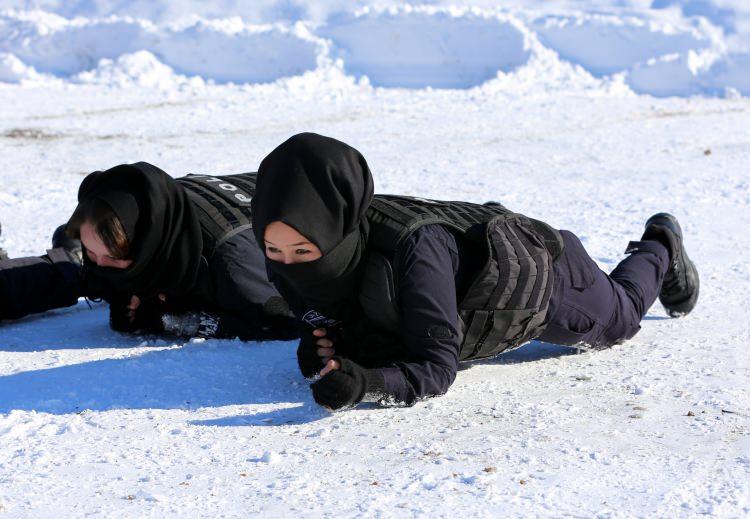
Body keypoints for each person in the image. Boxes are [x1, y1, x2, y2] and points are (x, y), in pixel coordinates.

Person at [250, 133, 699, 411]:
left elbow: (437, 368)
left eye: (304, 250)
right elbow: (339, 317)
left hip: (545, 278)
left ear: (338, 227)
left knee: (621, 317)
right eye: (274, 249)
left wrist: (368, 384)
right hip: (470, 256)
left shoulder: (413, 251)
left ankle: (660, 246)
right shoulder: (287, 254)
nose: (287, 263)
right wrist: (324, 352)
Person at [1, 162, 300, 341]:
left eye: (114, 258)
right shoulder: (150, 214)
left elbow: (281, 323)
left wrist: (164, 319)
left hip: (284, 206)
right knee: (81, 272)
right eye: (93, 252)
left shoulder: (231, 266)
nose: (102, 264)